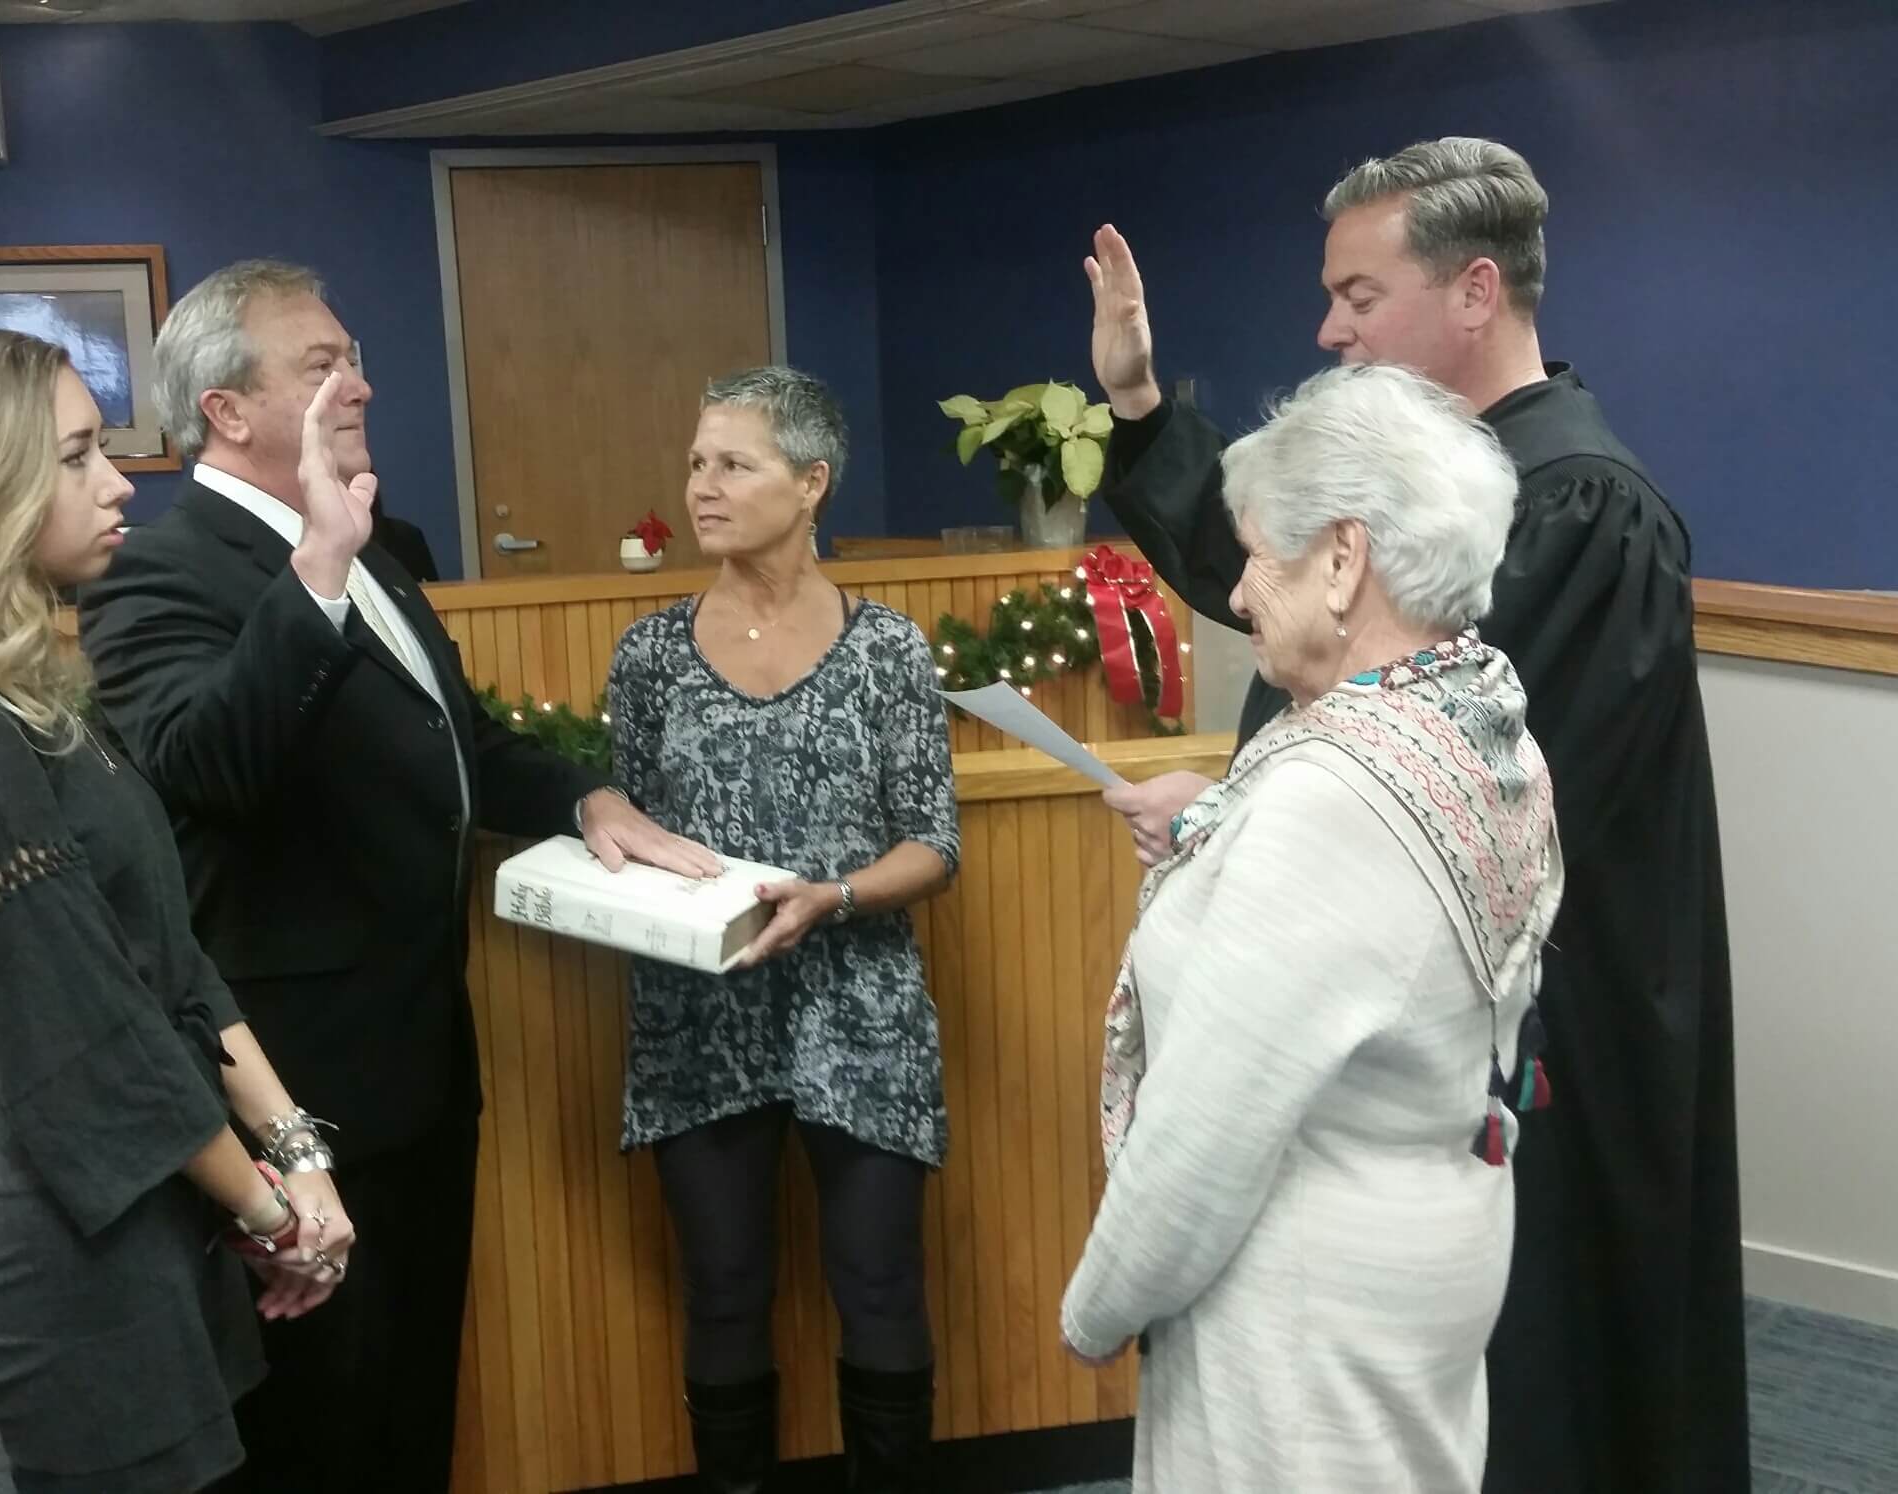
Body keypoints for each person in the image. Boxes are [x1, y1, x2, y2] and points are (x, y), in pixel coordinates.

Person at [1083, 137, 1747, 1494]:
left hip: (1525, 1045)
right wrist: (1144, 405)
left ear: (1475, 291)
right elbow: (1284, 579)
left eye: (1358, 295)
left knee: (1528, 1393)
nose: (1328, 329)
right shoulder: (1442, 479)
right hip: (1400, 1049)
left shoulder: (1578, 504)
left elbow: (1455, 783)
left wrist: (1244, 813)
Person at [74, 259, 712, 1490]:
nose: (359, 383)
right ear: (227, 409)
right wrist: (316, 564)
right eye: (320, 367)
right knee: (320, 1420)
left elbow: (453, 737)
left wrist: (582, 796)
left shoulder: (382, 541)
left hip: (421, 1057)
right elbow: (209, 765)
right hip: (293, 1084)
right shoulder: (162, 571)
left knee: (411, 1395)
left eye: (352, 358)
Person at [0, 325, 352, 1493]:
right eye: (76, 456)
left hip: (165, 1230)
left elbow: (170, 964)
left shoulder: (27, 696)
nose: (117, 484)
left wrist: (299, 1158)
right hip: (78, 1265)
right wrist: (269, 1211)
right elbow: (91, 1041)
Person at [1061, 362, 1562, 1491]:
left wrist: (1098, 1307)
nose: (1239, 596)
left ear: (1341, 560)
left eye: (1256, 558)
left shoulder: (1332, 794)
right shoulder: (1480, 719)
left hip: (1297, 1303)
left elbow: (1206, 1132)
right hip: (1426, 1233)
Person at [603, 366, 959, 1494]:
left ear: (811, 484)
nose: (702, 486)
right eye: (698, 461)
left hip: (859, 1006)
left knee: (880, 1283)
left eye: (733, 464)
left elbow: (934, 844)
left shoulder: (890, 649)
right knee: (722, 1287)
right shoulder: (650, 655)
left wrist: (836, 895)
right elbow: (625, 830)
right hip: (698, 1015)